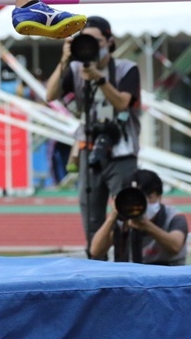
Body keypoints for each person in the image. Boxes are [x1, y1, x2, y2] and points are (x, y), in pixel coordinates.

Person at [45, 16, 142, 259]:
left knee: (124, 214)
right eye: (85, 41)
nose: (92, 46)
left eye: (96, 41)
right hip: (89, 149)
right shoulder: (77, 70)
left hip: (122, 151)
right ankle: (96, 265)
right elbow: (50, 94)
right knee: (91, 217)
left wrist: (99, 78)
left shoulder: (126, 69)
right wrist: (65, 60)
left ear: (109, 42)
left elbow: (122, 104)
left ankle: (125, 265)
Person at [90, 169, 189, 265]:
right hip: (132, 276)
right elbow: (95, 251)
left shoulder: (174, 217)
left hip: (167, 275)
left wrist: (146, 225)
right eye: (136, 198)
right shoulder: (123, 220)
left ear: (159, 196)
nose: (143, 204)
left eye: (149, 197)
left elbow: (175, 247)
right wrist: (112, 217)